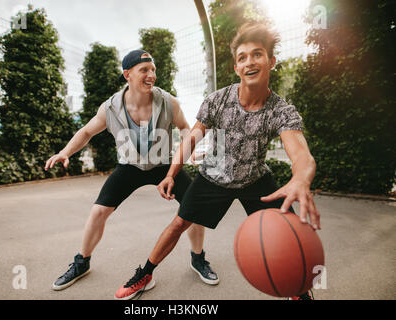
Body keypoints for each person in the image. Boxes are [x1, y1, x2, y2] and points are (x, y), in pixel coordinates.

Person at [115, 23, 321, 301]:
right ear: (237, 67)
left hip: (255, 179)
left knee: (288, 236)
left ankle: (299, 291)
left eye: (257, 54)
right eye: (242, 57)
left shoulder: (282, 111)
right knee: (178, 224)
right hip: (213, 177)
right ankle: (145, 273)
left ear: (271, 61)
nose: (249, 62)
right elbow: (191, 138)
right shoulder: (218, 100)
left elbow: (300, 152)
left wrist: (300, 179)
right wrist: (171, 174)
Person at [45, 50, 219, 298]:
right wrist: (65, 152)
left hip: (164, 166)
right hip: (129, 167)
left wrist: (189, 153)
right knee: (99, 211)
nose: (151, 75)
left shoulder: (169, 102)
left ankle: (198, 258)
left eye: (153, 70)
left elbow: (184, 128)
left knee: (193, 208)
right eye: (144, 70)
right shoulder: (111, 108)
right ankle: (81, 262)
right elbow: (86, 132)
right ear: (127, 75)